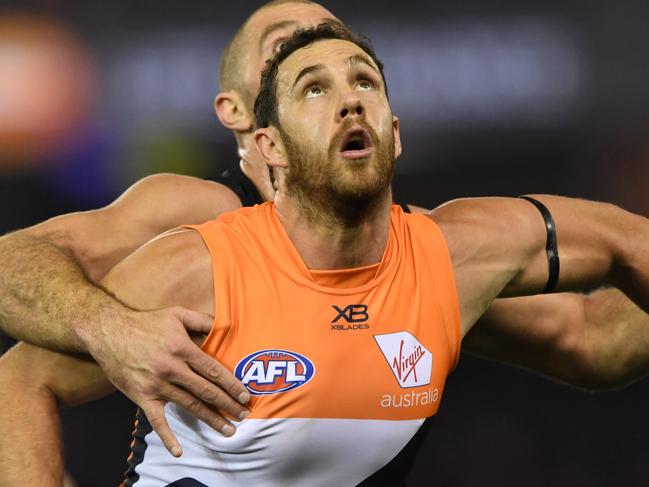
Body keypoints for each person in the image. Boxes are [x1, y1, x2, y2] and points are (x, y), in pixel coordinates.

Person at [1, 0, 649, 482]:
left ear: (394, 129)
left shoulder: (434, 256)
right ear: (245, 117)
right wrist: (109, 325)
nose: (340, 91)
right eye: (297, 57)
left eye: (355, 70)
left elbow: (589, 338)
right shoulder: (193, 226)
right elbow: (14, 326)